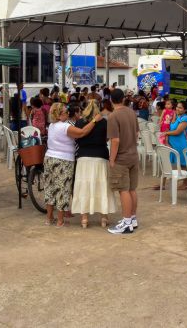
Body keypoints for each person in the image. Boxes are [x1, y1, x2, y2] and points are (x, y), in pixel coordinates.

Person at [43, 103, 101, 227]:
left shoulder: (52, 126)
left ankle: (49, 218)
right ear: (59, 115)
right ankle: (60, 221)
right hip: (63, 160)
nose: (68, 113)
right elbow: (82, 132)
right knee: (62, 189)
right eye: (65, 112)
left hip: (49, 158)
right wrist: (95, 120)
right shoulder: (65, 127)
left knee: (50, 188)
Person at [71, 100, 116, 229]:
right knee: (102, 186)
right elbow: (107, 139)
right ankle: (103, 217)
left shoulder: (79, 122)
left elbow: (77, 138)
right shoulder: (104, 122)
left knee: (84, 186)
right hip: (101, 157)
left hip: (83, 158)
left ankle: (84, 218)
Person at [107, 88, 141, 235]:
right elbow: (137, 133)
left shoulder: (113, 116)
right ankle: (132, 218)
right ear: (122, 99)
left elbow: (115, 140)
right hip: (133, 155)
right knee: (132, 189)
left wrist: (112, 159)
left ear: (111, 100)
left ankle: (126, 222)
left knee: (123, 190)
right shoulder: (131, 112)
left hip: (121, 157)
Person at [165, 101, 187, 173]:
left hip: (179, 144)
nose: (177, 109)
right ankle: (164, 182)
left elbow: (177, 132)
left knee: (183, 164)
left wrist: (166, 133)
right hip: (172, 144)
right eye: (177, 107)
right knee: (171, 163)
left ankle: (185, 182)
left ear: (185, 110)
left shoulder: (185, 119)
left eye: (180, 108)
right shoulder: (176, 117)